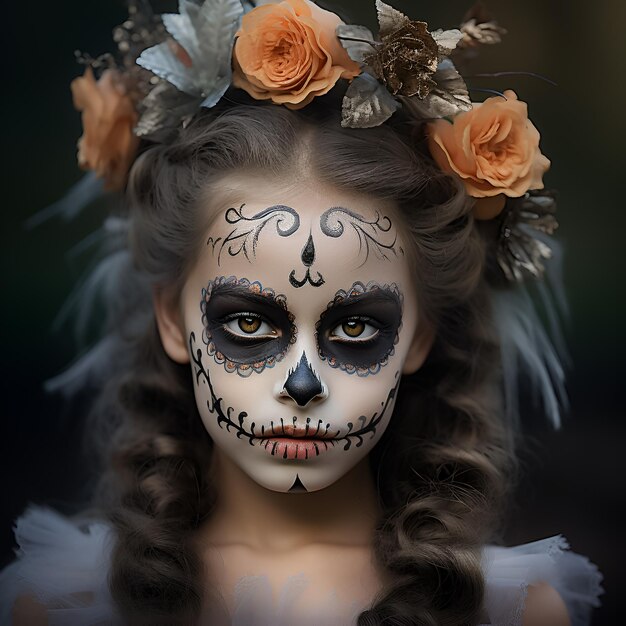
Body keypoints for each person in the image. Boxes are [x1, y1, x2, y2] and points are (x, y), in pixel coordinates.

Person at [0, 1, 603, 624]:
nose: (303, 385)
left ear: (420, 333)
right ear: (173, 319)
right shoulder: (65, 605)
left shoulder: (512, 610)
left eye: (355, 326)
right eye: (250, 322)